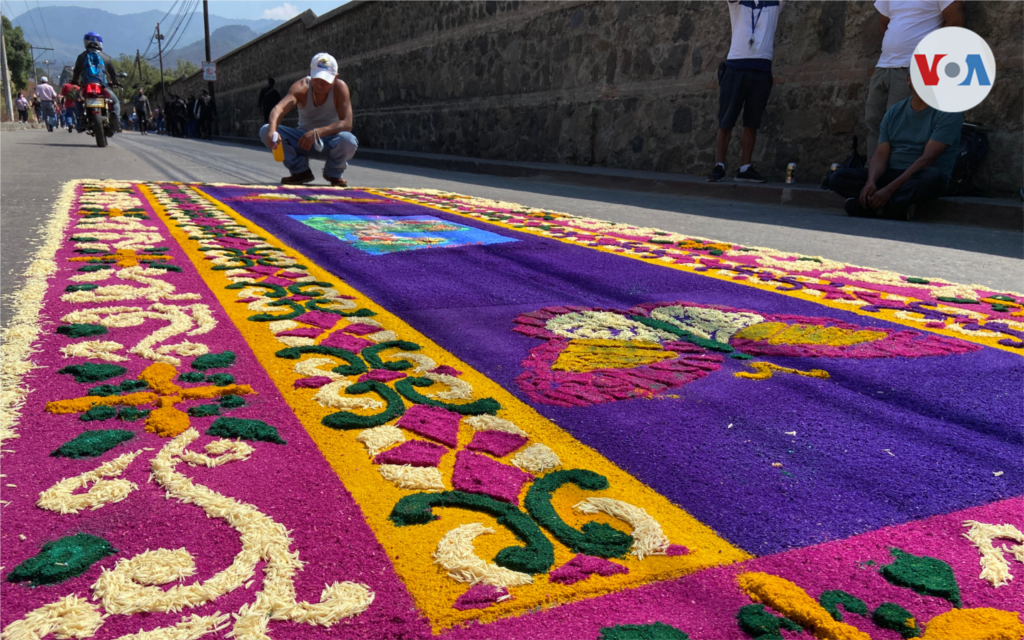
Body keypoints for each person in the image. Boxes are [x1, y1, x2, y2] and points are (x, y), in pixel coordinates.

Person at [827, 75, 961, 220]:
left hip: (919, 176)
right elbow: (881, 154)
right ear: (909, 80)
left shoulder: (949, 112)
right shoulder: (894, 111)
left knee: (932, 177)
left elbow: (928, 159)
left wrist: (889, 190)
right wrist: (870, 182)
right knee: (837, 177)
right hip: (891, 174)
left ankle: (876, 206)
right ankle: (893, 207)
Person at [865, 0, 964, 158]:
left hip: (917, 66)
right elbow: (883, 25)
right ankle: (871, 175)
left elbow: (955, 22)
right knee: (874, 121)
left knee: (901, 125)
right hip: (884, 65)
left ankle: (896, 176)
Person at [707, 0, 792, 183]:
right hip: (735, 66)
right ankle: (719, 165)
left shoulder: (775, 2)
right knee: (726, 119)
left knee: (752, 121)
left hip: (761, 69)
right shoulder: (738, 2)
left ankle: (745, 168)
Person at [261, 53, 357, 186]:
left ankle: (333, 173)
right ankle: (300, 171)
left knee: (348, 140)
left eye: (326, 80)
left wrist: (317, 132)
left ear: (335, 77)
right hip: (302, 141)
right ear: (311, 74)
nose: (320, 84)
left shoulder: (340, 88)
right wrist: (272, 131)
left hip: (330, 142)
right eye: (317, 78)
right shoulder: (302, 87)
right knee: (265, 130)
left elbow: (347, 123)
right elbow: (279, 109)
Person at [71, 31, 122, 132]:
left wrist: (74, 81)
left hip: (86, 86)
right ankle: (117, 121)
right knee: (115, 101)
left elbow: (76, 72)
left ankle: (81, 120)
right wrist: (115, 82)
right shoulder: (106, 57)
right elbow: (113, 74)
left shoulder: (81, 57)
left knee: (77, 100)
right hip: (102, 86)